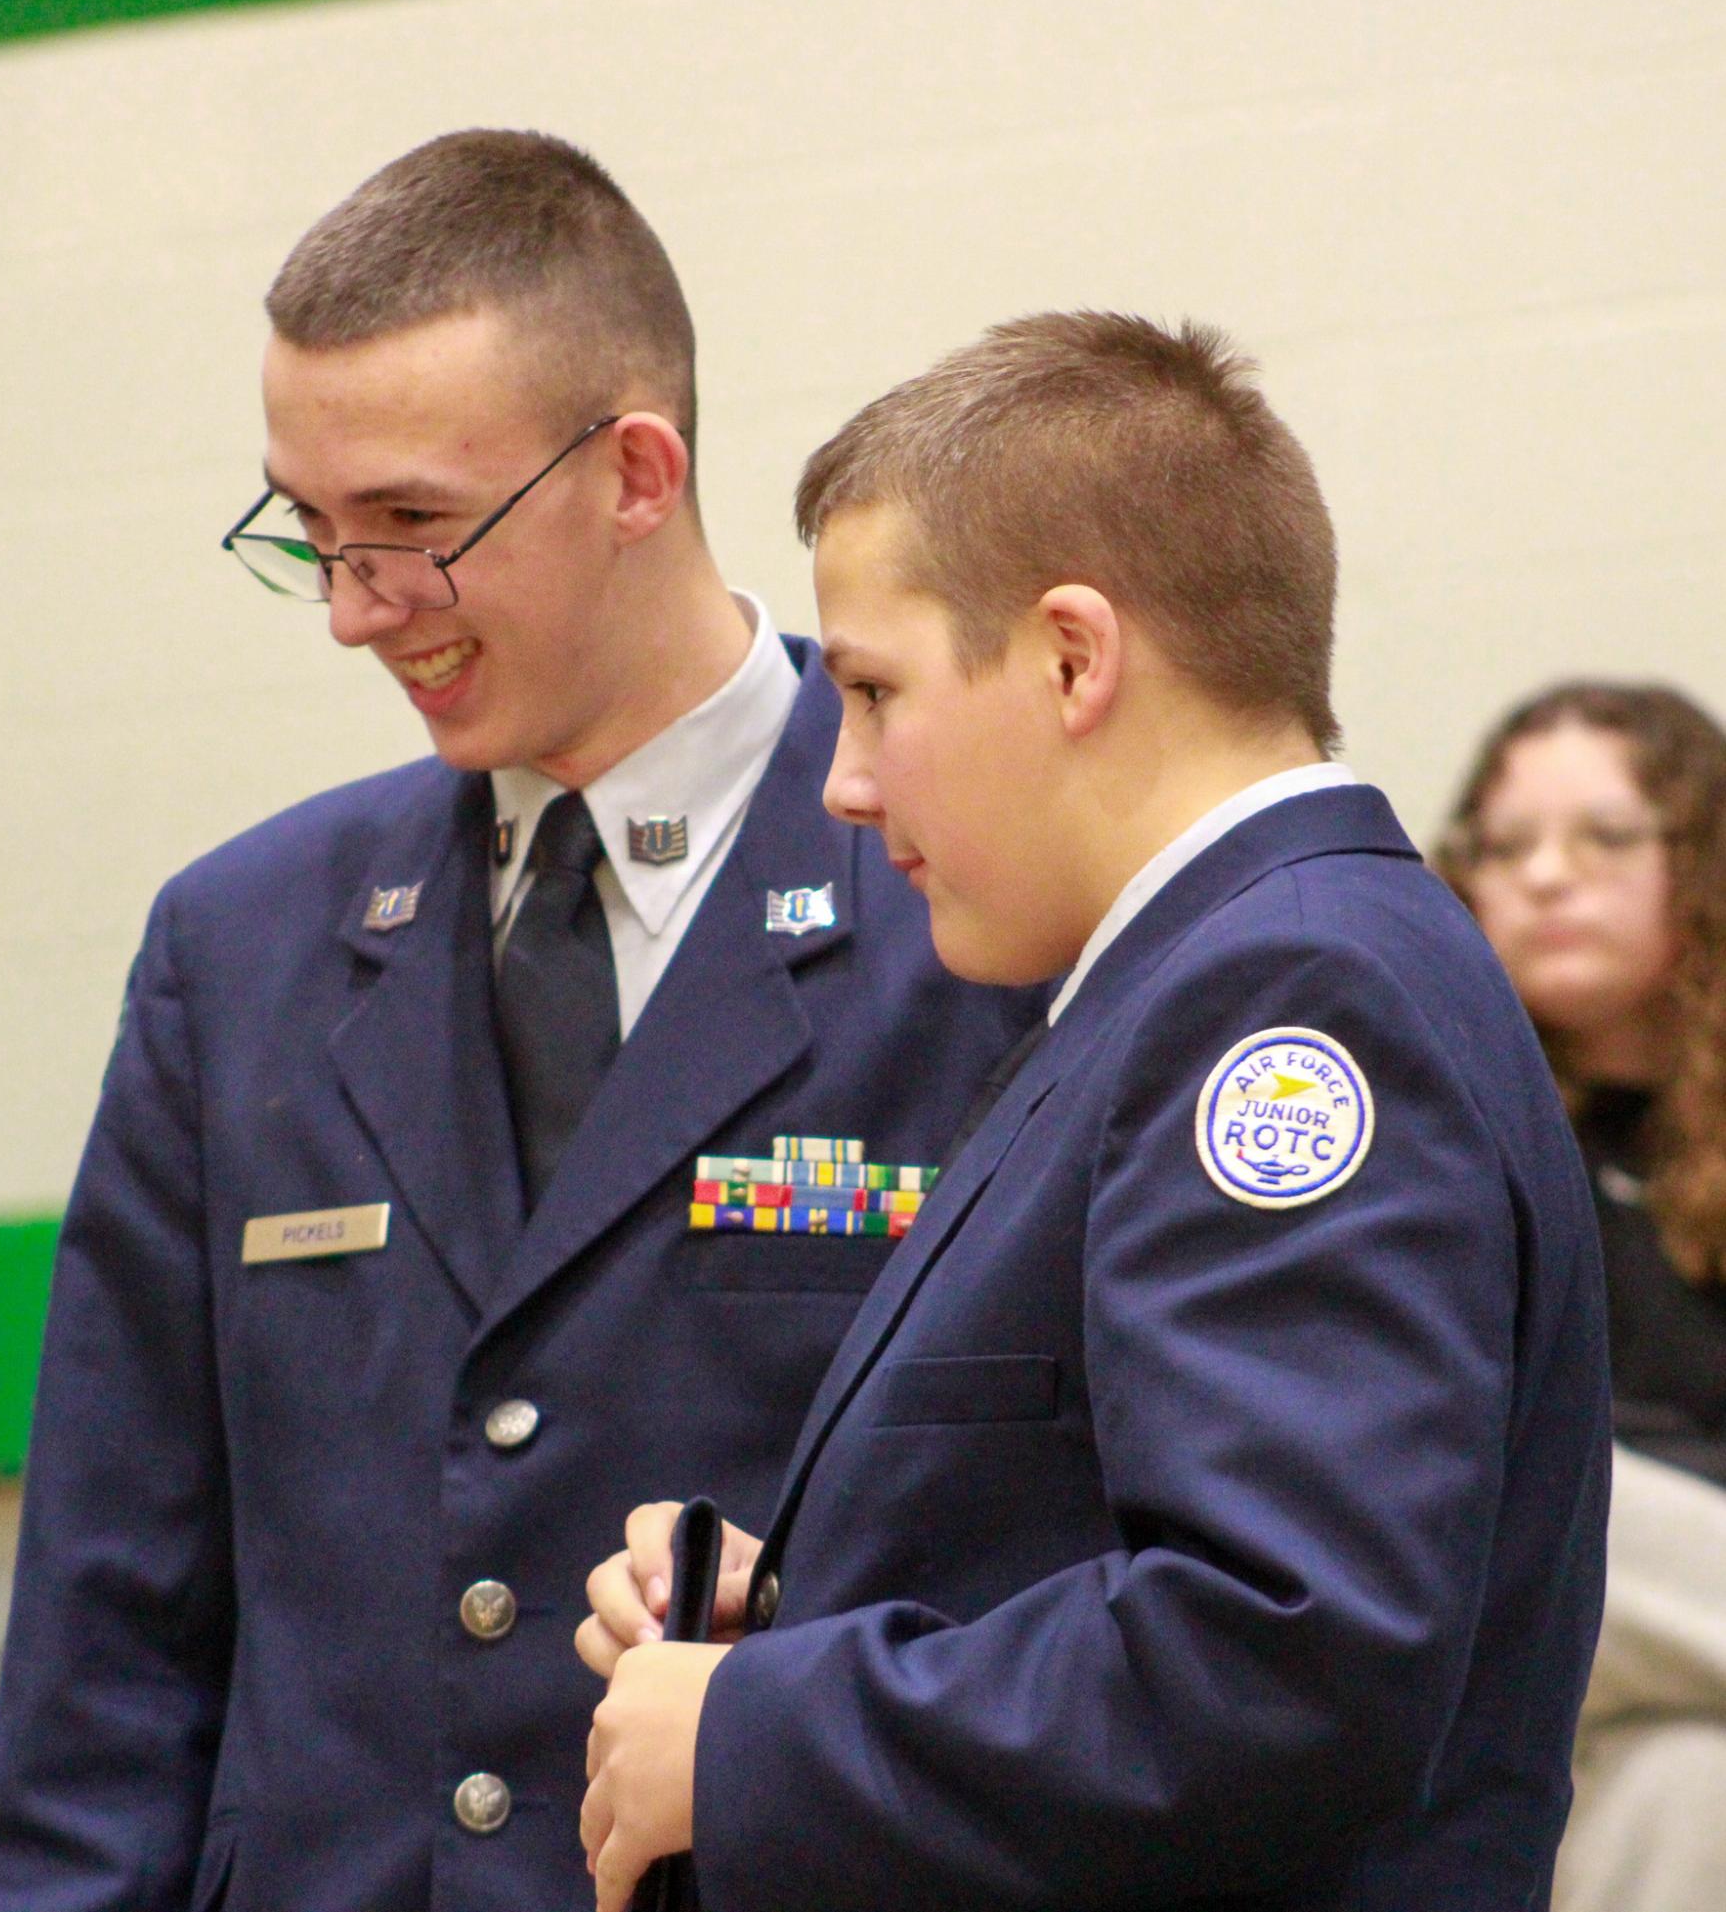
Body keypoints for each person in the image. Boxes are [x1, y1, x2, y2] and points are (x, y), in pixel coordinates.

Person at [0, 131, 1040, 1912]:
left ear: (634, 471)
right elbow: (112, 1626)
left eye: (410, 526)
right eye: (306, 533)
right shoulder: (240, 950)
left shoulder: (967, 913)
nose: (351, 610)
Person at [578, 312, 1611, 1911]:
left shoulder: (1287, 1004)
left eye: (871, 691)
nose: (843, 782)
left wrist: (757, 1734)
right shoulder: (1190, 979)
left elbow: (1278, 1659)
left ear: (1072, 655)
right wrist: (785, 1610)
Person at [1435, 682, 1726, 1912]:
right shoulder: (1433, 1121)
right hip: (1489, 1597)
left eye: (1604, 837)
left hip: (1664, 1663)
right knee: (1557, 1492)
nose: (1546, 876)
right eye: (1505, 846)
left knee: (1690, 1780)